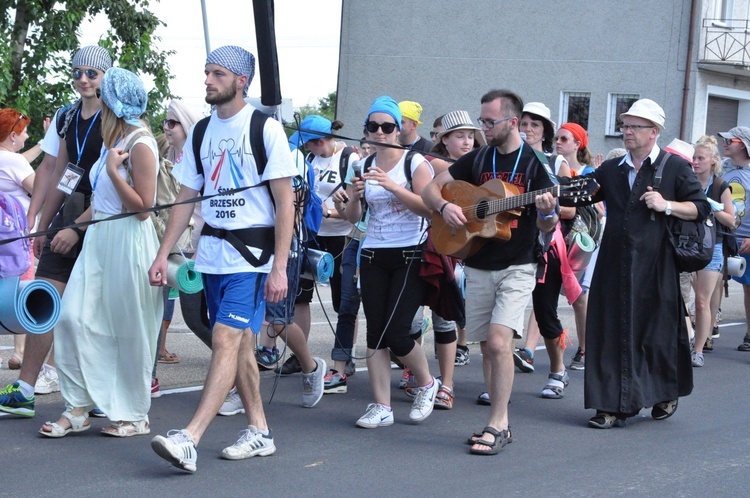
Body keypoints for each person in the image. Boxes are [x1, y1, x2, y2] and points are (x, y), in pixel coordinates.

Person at [148, 46, 297, 472]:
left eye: (217, 73)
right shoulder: (199, 133)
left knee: (225, 340)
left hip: (251, 258)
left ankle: (189, 437)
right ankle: (259, 431)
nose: (208, 80)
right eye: (206, 72)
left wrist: (280, 266)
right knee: (243, 345)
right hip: (211, 255)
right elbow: (185, 197)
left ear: (241, 81)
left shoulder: (264, 129)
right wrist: (164, 253)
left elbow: (284, 203)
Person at [422, 89, 559, 454]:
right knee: (486, 347)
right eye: (481, 120)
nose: (482, 128)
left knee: (500, 342)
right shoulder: (479, 156)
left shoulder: (535, 163)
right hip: (478, 261)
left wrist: (546, 212)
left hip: (518, 264)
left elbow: (547, 226)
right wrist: (444, 207)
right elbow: (431, 189)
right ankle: (498, 423)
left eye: (488, 122)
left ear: (512, 122)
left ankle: (499, 423)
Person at [39, 67, 162, 438]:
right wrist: (74, 226)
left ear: (112, 101)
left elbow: (143, 208)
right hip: (99, 239)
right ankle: (77, 406)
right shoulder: (117, 137)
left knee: (129, 329)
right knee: (72, 317)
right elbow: (104, 200)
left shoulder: (140, 143)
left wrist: (111, 169)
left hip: (128, 241)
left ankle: (134, 414)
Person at [576, 99, 709, 429]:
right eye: (625, 125)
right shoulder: (611, 169)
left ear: (654, 132)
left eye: (634, 126)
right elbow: (578, 194)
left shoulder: (674, 168)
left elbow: (700, 208)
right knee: (610, 331)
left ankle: (665, 392)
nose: (627, 132)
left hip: (657, 266)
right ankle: (609, 406)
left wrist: (667, 205)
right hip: (614, 264)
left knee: (656, 333)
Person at [0, 46, 112, 417]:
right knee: (45, 298)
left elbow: (119, 188)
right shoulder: (66, 116)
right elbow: (56, 170)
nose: (83, 79)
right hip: (71, 210)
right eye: (78, 72)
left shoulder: (117, 117)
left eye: (92, 74)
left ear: (105, 77)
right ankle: (26, 390)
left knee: (93, 310)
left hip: (106, 217)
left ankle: (97, 393)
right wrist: (41, 224)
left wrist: (78, 231)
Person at [344, 96, 439, 428]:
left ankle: (427, 383)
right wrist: (353, 198)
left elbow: (429, 208)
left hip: (410, 253)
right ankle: (381, 405)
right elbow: (354, 218)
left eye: (387, 127)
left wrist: (391, 186)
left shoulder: (414, 163)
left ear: (399, 130)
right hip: (372, 253)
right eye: (373, 126)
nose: (379, 132)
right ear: (366, 129)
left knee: (398, 332)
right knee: (375, 335)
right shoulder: (362, 164)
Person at [274, 115, 355, 378]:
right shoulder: (308, 160)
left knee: (343, 300)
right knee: (301, 296)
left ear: (320, 141)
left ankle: (345, 354)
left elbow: (357, 210)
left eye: (309, 144)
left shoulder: (349, 160)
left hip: (341, 237)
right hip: (310, 235)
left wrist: (329, 213)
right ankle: (301, 354)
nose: (306, 149)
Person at [513, 102, 557, 374]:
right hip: (504, 241)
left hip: (542, 245)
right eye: (524, 123)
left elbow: (565, 208)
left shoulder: (554, 162)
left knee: (545, 311)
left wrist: (546, 208)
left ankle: (558, 369)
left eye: (535, 125)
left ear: (545, 132)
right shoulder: (507, 157)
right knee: (504, 320)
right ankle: (498, 388)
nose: (528, 129)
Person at [691, 136, 733, 367]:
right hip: (688, 244)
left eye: (700, 158)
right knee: (682, 297)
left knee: (701, 301)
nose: (695, 162)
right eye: (694, 158)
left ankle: (698, 350)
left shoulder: (720, 186)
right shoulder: (687, 180)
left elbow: (731, 220)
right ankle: (690, 338)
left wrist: (710, 206)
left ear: (712, 161)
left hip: (712, 246)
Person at [0, 109, 35, 371]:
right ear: (13, 135)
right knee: (21, 289)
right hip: (17, 235)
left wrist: (44, 146)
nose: (27, 135)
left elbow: (21, 158)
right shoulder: (14, 162)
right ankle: (20, 352)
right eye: (23, 132)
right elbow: (38, 188)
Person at [717, 126, 750, 351]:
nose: (725, 143)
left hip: (747, 241)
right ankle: (708, 329)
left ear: (745, 145)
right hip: (725, 237)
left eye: (732, 140)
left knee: (749, 289)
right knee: (713, 281)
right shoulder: (723, 170)